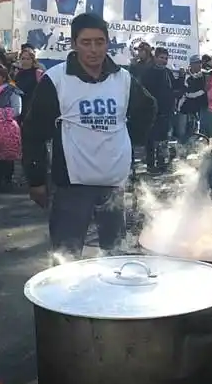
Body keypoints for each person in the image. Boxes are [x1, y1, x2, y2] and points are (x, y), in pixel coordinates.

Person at [22, 13, 156, 261]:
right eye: (86, 42)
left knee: (115, 258)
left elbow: (148, 107)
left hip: (113, 183)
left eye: (99, 42)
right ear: (74, 44)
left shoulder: (123, 79)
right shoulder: (56, 79)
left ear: (107, 43)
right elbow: (33, 132)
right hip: (71, 186)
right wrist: (36, 179)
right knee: (66, 259)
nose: (94, 49)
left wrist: (129, 142)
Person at [140, 46, 175, 173]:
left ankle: (161, 163)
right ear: (155, 58)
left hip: (166, 113)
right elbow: (143, 92)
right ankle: (150, 165)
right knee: (150, 140)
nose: (164, 61)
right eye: (161, 58)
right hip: (151, 113)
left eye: (166, 58)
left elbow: (174, 89)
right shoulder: (147, 72)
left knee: (163, 140)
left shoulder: (168, 73)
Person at [179, 54, 208, 141]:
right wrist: (203, 91)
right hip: (186, 108)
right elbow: (188, 93)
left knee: (197, 134)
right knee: (182, 133)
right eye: (197, 63)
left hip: (200, 109)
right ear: (191, 64)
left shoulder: (204, 74)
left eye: (200, 63)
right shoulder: (186, 76)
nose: (199, 65)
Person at [14, 48, 44, 120]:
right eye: (23, 58)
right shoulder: (18, 73)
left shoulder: (38, 72)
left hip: (32, 107)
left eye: (28, 59)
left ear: (32, 60)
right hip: (19, 106)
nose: (25, 61)